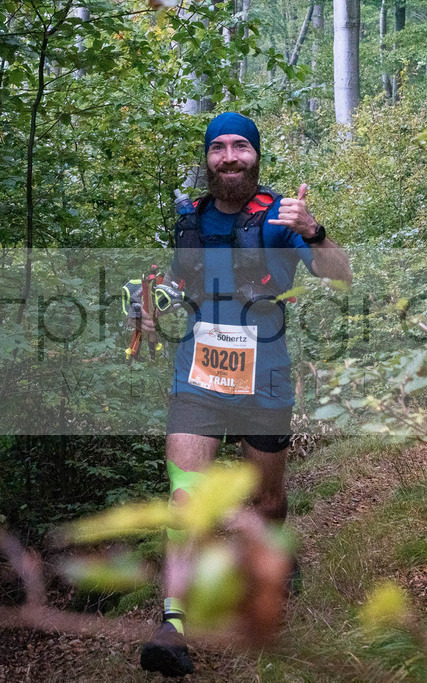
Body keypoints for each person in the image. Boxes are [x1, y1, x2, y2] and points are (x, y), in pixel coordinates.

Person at [137, 112, 352, 677]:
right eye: (218, 149)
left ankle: (277, 558)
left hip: (266, 378)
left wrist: (314, 231)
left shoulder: (281, 217)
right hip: (198, 377)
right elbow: (180, 290)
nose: (230, 157)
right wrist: (154, 312)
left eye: (240, 147)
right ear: (207, 159)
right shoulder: (188, 218)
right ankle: (172, 625)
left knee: (265, 504)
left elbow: (341, 273)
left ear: (256, 156)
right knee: (186, 497)